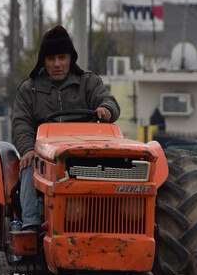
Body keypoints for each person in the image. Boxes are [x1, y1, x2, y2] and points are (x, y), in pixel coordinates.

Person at [11, 25, 120, 231]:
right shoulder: (29, 89)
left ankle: (106, 216)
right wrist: (27, 149)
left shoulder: (88, 82)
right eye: (51, 59)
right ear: (43, 61)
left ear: (71, 58)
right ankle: (31, 222)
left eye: (62, 57)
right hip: (44, 153)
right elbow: (21, 122)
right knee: (28, 164)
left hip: (85, 149)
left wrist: (106, 109)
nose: (57, 64)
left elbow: (108, 100)